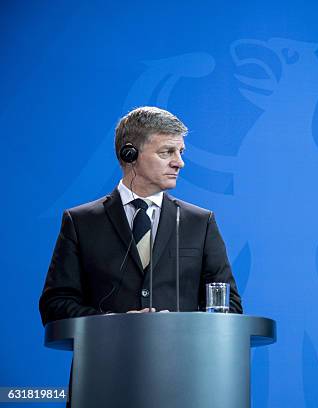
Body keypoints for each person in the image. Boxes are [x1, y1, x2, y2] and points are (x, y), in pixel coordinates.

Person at [40, 106, 242, 326]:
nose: (179, 162)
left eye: (180, 152)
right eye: (166, 152)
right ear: (130, 155)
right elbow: (55, 304)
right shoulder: (80, 222)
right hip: (105, 358)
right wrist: (113, 323)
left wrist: (179, 325)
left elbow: (229, 306)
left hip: (181, 359)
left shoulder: (200, 223)